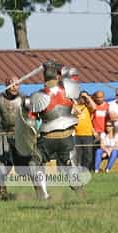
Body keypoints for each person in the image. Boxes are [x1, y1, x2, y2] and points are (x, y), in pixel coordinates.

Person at [0, 76, 49, 199]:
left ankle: (40, 192)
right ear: (6, 85)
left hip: (21, 136)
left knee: (32, 162)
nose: (14, 87)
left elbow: (38, 111)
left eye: (17, 84)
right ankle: (2, 193)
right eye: (11, 84)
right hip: (4, 136)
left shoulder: (25, 99)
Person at [30, 61, 84, 195]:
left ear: (44, 78)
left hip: (47, 137)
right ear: (58, 77)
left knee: (35, 163)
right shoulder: (69, 90)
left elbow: (32, 118)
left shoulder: (37, 96)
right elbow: (73, 74)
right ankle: (79, 190)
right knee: (70, 164)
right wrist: (58, 66)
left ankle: (43, 193)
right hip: (66, 136)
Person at [73, 91, 95, 169]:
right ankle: (78, 169)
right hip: (76, 134)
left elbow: (94, 107)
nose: (83, 99)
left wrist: (87, 97)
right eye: (82, 97)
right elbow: (72, 109)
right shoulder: (74, 106)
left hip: (87, 134)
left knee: (88, 154)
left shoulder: (88, 107)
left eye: (84, 98)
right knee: (77, 154)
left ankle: (86, 169)